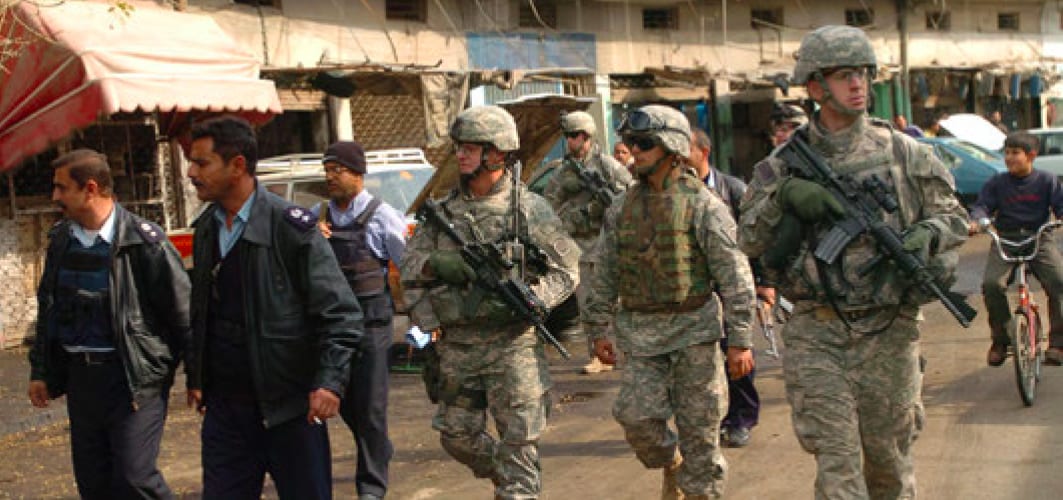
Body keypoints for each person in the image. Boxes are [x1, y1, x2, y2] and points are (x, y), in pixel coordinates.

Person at [738, 25, 968, 498]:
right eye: (845, 75)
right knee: (839, 472)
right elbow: (749, 240)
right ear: (817, 87)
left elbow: (955, 218)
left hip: (890, 331)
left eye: (863, 74)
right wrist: (784, 197)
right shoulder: (782, 164)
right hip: (818, 334)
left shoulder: (904, 152)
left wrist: (929, 231)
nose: (859, 84)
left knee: (888, 469)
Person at [399, 105, 580, 499]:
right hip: (458, 348)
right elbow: (409, 269)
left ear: (497, 153)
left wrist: (535, 299)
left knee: (520, 447)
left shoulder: (528, 209)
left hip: (514, 348)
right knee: (455, 436)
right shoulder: (443, 212)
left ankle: (518, 486)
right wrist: (437, 275)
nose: (461, 154)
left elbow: (566, 270)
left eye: (471, 147)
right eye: (459, 146)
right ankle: (511, 479)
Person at [184, 116, 364, 499]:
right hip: (226, 412)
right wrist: (197, 376)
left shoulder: (290, 229)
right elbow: (203, 312)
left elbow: (341, 313)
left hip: (289, 408)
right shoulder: (206, 230)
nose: (191, 173)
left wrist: (329, 381)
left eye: (202, 163)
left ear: (237, 165)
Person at [583, 104, 756, 499]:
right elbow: (605, 270)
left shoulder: (703, 205)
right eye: (631, 143)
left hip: (694, 333)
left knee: (702, 442)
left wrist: (741, 340)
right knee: (637, 420)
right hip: (641, 337)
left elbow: (735, 275)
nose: (634, 151)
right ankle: (671, 463)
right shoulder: (621, 208)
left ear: (671, 147)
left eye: (644, 144)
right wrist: (597, 329)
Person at [28, 149, 190, 499]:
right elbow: (50, 310)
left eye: (61, 188)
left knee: (135, 477)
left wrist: (197, 376)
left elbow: (183, 314)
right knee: (95, 482)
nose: (55, 197)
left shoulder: (144, 242)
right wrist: (40, 370)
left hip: (132, 379)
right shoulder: (61, 240)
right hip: (82, 380)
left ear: (89, 188)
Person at [312, 140, 407, 500]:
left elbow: (408, 264)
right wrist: (312, 240)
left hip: (371, 325)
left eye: (337, 170)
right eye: (327, 171)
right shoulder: (317, 216)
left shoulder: (383, 216)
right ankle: (378, 447)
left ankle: (371, 488)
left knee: (370, 408)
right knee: (344, 403)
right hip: (331, 328)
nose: (330, 178)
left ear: (358, 173)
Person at [543, 110, 634, 375]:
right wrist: (582, 213)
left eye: (575, 136)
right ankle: (598, 354)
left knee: (618, 302)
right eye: (569, 136)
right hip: (581, 247)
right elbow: (549, 211)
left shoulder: (607, 165)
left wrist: (607, 206)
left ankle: (627, 351)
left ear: (587, 136)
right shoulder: (563, 173)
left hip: (609, 243)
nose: (571, 141)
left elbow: (630, 194)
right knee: (587, 305)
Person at [687, 129, 763, 449]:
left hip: (730, 288)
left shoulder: (732, 190)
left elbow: (756, 241)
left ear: (703, 152)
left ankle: (740, 419)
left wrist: (765, 286)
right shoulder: (677, 194)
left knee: (737, 356)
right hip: (696, 294)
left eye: (684, 148)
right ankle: (711, 420)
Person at [968, 131, 1063, 366]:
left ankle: (1058, 344)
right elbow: (981, 207)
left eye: (1015, 153)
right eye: (1007, 153)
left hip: (1039, 239)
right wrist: (977, 221)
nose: (1009, 158)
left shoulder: (1047, 181)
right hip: (1006, 241)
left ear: (1031, 155)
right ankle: (1001, 340)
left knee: (1059, 282)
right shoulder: (997, 183)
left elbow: (1061, 206)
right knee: (992, 284)